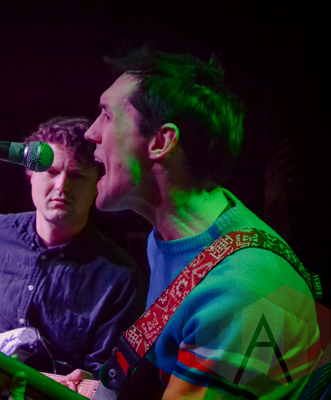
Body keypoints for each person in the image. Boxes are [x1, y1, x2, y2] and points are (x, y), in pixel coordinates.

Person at [80, 46, 322, 399]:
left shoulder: (240, 289)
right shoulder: (175, 238)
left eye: (107, 116)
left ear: (160, 142)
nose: (91, 132)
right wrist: (87, 389)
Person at [0, 117, 149, 391]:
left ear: (97, 183)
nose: (61, 186)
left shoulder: (119, 277)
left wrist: (89, 380)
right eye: (51, 172)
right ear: (30, 173)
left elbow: (105, 374)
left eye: (76, 175)